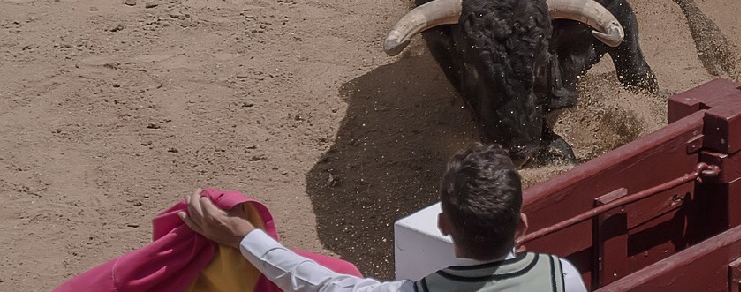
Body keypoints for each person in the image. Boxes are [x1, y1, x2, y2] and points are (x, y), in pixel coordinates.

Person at [180, 143, 587, 292]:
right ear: (521, 226)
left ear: (442, 224)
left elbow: (316, 283)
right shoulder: (564, 278)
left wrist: (243, 237)